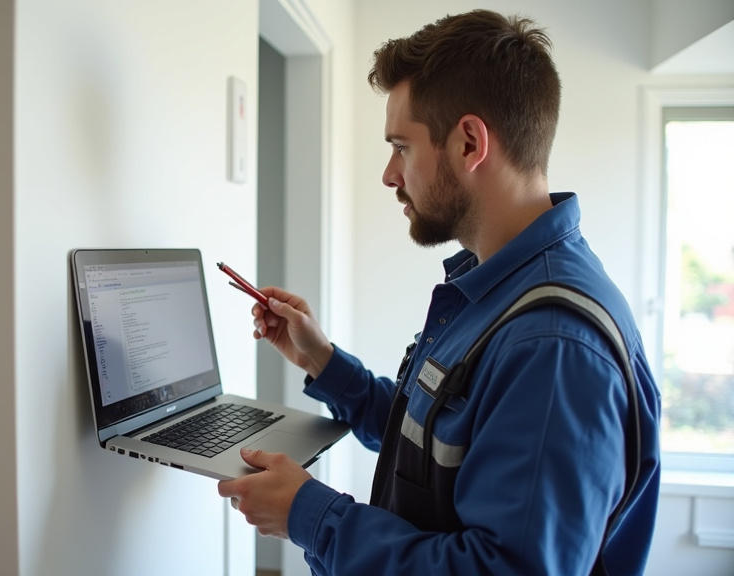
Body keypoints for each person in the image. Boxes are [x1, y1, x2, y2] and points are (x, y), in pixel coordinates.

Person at [217, 9, 661, 576]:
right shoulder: (496, 290)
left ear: (469, 142)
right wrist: (321, 360)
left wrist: (312, 514)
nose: (388, 174)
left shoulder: (553, 346)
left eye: (401, 146)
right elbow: (428, 452)